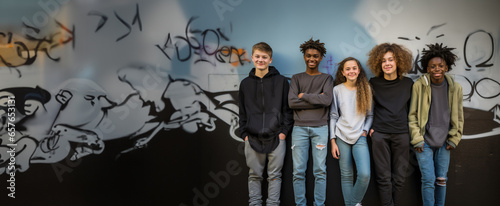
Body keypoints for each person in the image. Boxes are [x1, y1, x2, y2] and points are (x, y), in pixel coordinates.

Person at [238, 42, 294, 206]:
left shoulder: (282, 82)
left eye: (264, 57)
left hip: (277, 137)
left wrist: (283, 133)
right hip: (252, 137)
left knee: (275, 176)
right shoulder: (245, 84)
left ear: (270, 59)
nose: (260, 60)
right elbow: (242, 112)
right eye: (257, 56)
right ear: (252, 58)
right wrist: (245, 135)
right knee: (254, 176)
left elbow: (288, 111)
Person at [409, 43, 464, 206]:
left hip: (444, 142)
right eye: (433, 66)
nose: (437, 69)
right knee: (428, 180)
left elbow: (459, 117)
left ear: (447, 67)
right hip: (424, 142)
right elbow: (412, 115)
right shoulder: (419, 86)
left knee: (441, 180)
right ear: (428, 68)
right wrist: (417, 139)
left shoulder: (456, 88)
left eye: (440, 65)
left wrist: (454, 138)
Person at [366, 43, 414, 206]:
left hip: (402, 134)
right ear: (378, 64)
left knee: (399, 178)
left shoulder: (408, 84)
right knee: (383, 178)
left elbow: (412, 111)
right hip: (380, 135)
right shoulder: (373, 83)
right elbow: (367, 109)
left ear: (398, 62)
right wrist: (371, 129)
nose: (387, 63)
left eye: (391, 60)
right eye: (383, 61)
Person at [288, 38, 333, 206]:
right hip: (299, 128)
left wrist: (303, 96)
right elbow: (292, 103)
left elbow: (327, 100)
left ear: (321, 58)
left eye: (315, 56)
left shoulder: (327, 79)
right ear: (304, 57)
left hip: (320, 128)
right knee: (298, 172)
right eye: (308, 56)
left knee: (320, 171)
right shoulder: (296, 78)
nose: (311, 59)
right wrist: (317, 98)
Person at [330, 57, 373, 206]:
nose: (351, 71)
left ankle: (353, 204)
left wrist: (365, 132)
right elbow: (334, 116)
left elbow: (370, 115)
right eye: (347, 69)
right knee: (346, 176)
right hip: (341, 136)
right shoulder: (337, 90)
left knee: (364, 174)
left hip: (360, 136)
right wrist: (332, 140)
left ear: (359, 70)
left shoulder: (366, 89)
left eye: (354, 68)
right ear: (343, 72)